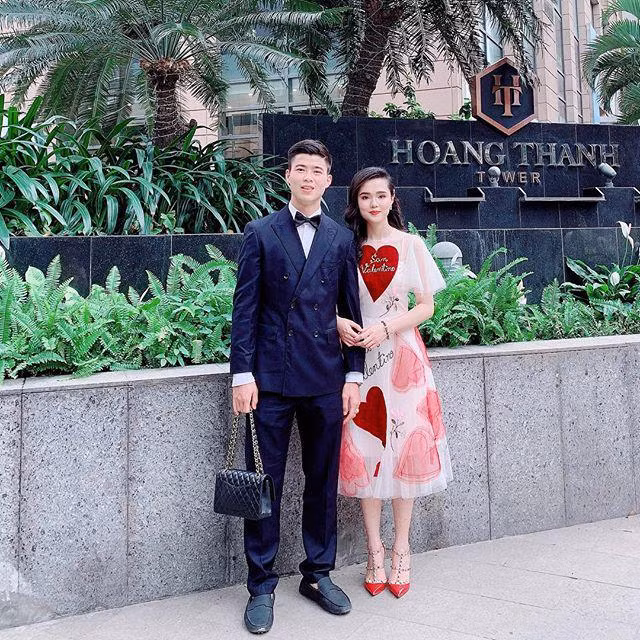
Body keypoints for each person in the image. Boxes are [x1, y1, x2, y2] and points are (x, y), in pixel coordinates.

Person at [230, 139, 365, 634]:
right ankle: (261, 585)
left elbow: (350, 309)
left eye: (317, 170)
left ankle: (318, 573)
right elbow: (245, 309)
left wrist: (354, 375)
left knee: (322, 481)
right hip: (269, 379)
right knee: (265, 483)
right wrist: (241, 374)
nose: (308, 177)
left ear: (328, 180)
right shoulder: (260, 232)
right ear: (287, 176)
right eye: (300, 169)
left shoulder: (341, 238)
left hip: (326, 378)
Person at [337, 166, 452, 599]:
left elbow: (426, 306)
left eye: (380, 196)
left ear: (392, 200)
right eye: (365, 196)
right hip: (358, 362)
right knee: (366, 449)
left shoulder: (410, 245)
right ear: (356, 202)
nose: (374, 204)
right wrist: (341, 325)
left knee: (405, 452)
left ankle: (402, 548)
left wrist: (386, 328)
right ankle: (375, 550)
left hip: (402, 359)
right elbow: (330, 301)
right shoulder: (346, 248)